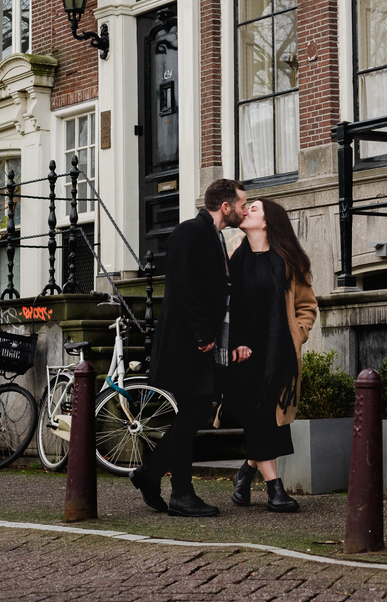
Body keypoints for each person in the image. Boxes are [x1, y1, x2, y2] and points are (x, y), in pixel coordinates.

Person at [130, 178, 247, 517]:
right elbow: (180, 284)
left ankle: (162, 481)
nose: (244, 209)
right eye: (242, 203)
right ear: (225, 206)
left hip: (198, 345)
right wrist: (202, 335)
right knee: (192, 415)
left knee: (191, 416)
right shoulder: (189, 232)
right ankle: (170, 486)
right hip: (188, 346)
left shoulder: (215, 235)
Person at [226, 198, 317, 513]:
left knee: (268, 417)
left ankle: (245, 473)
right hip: (246, 354)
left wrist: (299, 333)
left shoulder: (289, 261)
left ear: (267, 221)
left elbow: (307, 306)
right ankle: (275, 489)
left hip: (278, 352)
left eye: (254, 208)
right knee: (260, 415)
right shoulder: (236, 260)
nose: (247, 210)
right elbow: (230, 308)